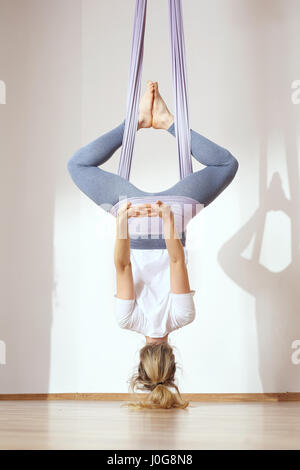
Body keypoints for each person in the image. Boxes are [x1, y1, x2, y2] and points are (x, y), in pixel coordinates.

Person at [68, 81, 239, 409]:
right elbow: (122, 265)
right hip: (131, 217)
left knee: (226, 165)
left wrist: (167, 221)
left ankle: (167, 122)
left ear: (173, 364)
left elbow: (176, 261)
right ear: (140, 364)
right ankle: (131, 126)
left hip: (170, 217)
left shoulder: (182, 316)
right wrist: (121, 223)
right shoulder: (127, 320)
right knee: (78, 166)